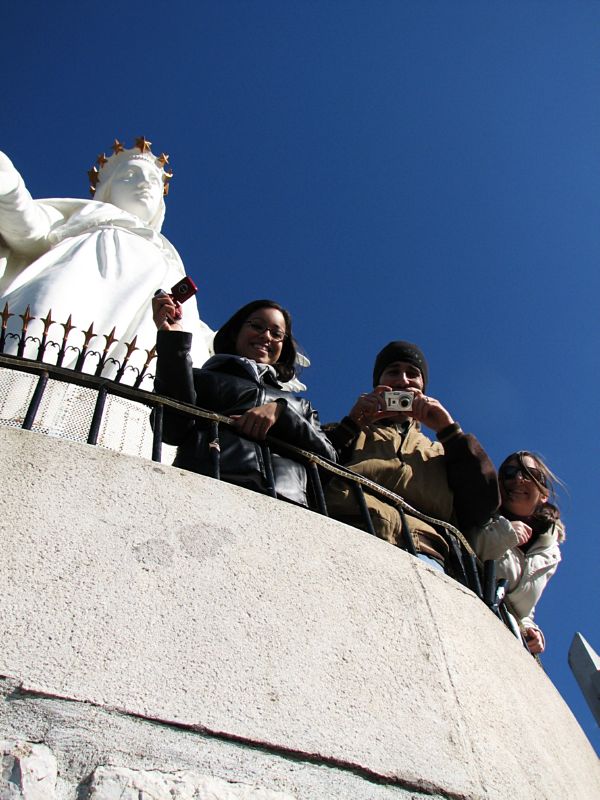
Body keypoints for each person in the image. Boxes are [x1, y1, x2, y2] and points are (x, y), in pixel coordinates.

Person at [0, 138, 212, 377]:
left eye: (153, 180)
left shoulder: (168, 254)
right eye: (130, 175)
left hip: (148, 331)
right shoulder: (85, 215)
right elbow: (28, 228)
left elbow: (203, 333)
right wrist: (8, 184)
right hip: (76, 294)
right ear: (107, 189)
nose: (144, 184)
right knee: (41, 352)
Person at [325, 341, 499, 572]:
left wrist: (449, 432)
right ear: (378, 384)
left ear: (423, 388)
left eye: (412, 374)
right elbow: (309, 468)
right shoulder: (347, 432)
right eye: (393, 371)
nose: (403, 380)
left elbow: (483, 504)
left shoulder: (443, 451)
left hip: (424, 555)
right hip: (347, 533)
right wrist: (351, 425)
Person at [151, 296, 337, 506]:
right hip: (207, 490)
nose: (266, 336)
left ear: (283, 347)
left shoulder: (300, 406)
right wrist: (174, 344)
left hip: (287, 505)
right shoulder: (201, 378)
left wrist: (281, 414)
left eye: (277, 334)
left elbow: (328, 460)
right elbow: (170, 428)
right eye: (257, 326)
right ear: (235, 331)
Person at [468, 451, 565, 654]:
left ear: (544, 494)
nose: (518, 479)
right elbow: (470, 548)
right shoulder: (481, 513)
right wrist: (506, 532)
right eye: (510, 473)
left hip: (504, 638)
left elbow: (524, 605)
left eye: (529, 474)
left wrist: (531, 629)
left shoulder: (549, 551)